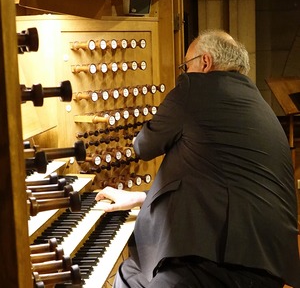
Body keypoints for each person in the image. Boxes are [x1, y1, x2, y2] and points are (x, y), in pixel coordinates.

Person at [95, 29, 300, 288]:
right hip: (268, 269)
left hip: (216, 266)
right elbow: (220, 179)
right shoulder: (257, 103)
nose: (183, 73)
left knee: (128, 276)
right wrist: (143, 197)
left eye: (185, 65)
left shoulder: (194, 88)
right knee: (133, 272)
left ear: (205, 62)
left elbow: (143, 146)